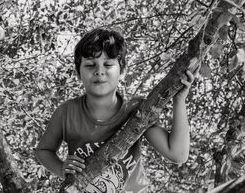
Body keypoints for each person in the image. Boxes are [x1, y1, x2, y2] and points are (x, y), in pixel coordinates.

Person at [35, 28, 197, 192]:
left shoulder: (137, 109)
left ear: (122, 70)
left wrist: (179, 100)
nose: (99, 71)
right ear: (78, 73)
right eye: (90, 65)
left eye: (108, 64)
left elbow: (178, 154)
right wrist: (62, 168)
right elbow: (43, 151)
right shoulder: (66, 112)